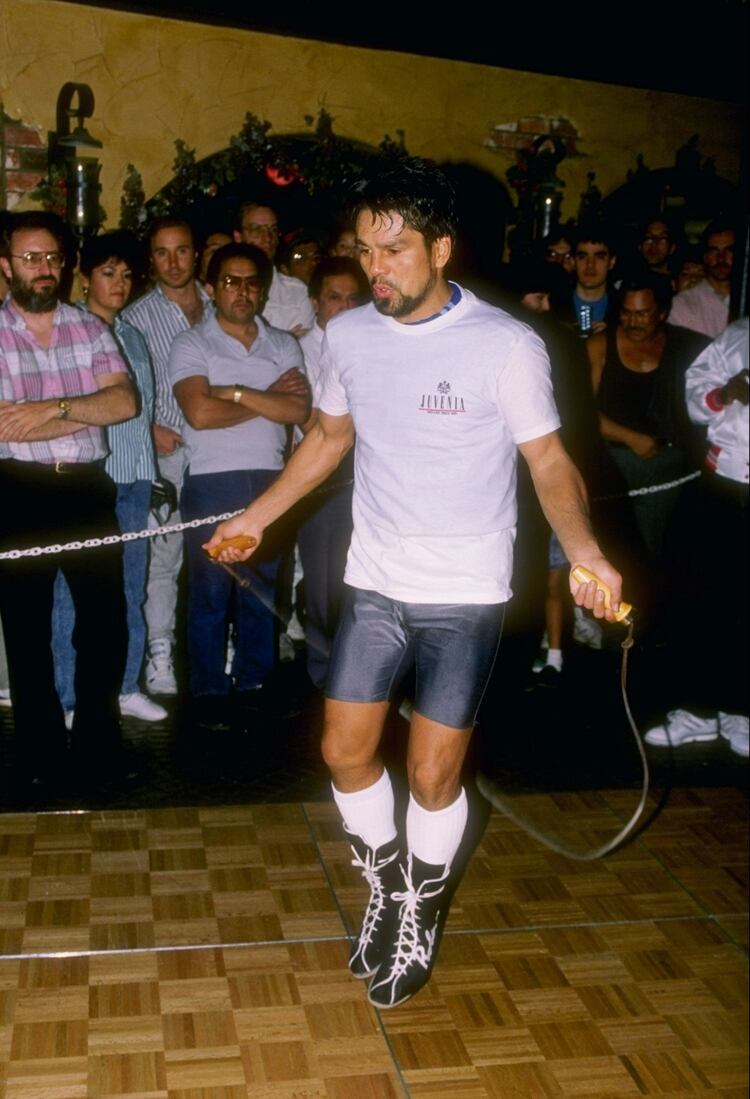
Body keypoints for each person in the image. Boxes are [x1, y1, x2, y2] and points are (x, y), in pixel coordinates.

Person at [205, 158, 623, 1008]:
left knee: (433, 777)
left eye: (395, 250)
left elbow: (548, 460)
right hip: (378, 580)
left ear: (440, 247)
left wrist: (586, 551)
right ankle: (391, 886)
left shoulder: (506, 345)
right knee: (343, 752)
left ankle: (420, 911)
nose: (377, 269)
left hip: (465, 591)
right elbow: (327, 437)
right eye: (365, 251)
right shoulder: (346, 335)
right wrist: (259, 514)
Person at [0, 211, 136, 782]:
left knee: (105, 622)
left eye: (53, 258)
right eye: (31, 259)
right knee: (26, 626)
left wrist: (47, 411)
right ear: (6, 266)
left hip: (86, 488)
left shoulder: (90, 329)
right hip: (17, 490)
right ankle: (38, 744)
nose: (45, 269)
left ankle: (100, 737)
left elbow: (124, 404)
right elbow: (2, 429)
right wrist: (81, 410)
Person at [168, 242, 310, 726]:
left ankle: (255, 681)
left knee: (262, 588)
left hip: (273, 480)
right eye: (231, 281)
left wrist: (236, 391)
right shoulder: (192, 344)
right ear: (211, 288)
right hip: (211, 480)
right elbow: (199, 413)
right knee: (210, 589)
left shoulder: (282, 345)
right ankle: (207, 690)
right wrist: (267, 397)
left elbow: (298, 411)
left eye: (252, 282)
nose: (242, 291)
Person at [51, 231, 167, 724]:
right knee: (71, 597)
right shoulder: (69, 333)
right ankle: (69, 696)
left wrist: (153, 478)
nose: (119, 284)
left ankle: (124, 687)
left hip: (135, 480)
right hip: (90, 481)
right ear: (83, 278)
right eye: (107, 273)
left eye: (126, 275)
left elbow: (143, 416)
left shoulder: (134, 334)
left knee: (130, 589)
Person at [644, 317, 748, 757]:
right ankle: (699, 711)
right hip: (722, 487)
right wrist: (726, 393)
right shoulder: (739, 335)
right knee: (700, 598)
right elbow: (695, 398)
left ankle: (741, 712)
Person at [122, 216, 212, 695]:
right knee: (163, 558)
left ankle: (222, 646)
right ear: (151, 258)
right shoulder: (136, 316)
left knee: (223, 549)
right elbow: (124, 385)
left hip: (220, 447)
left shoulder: (220, 302)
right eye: (162, 252)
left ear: (196, 253)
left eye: (181, 250)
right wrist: (147, 427)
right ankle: (160, 653)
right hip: (168, 450)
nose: (173, 261)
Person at [587, 273, 709, 623]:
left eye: (642, 314)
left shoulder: (687, 346)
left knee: (663, 558)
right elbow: (580, 413)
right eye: (625, 313)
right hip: (615, 466)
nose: (632, 321)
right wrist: (631, 438)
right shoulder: (599, 346)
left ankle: (653, 628)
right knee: (618, 555)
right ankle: (615, 631)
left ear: (662, 312)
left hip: (672, 472)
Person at [295, 256, 370, 688]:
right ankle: (326, 675)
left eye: (352, 299)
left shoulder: (374, 343)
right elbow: (311, 421)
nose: (342, 307)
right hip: (321, 482)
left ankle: (362, 673)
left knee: (364, 583)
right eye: (333, 298)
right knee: (323, 584)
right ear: (315, 302)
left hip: (369, 480)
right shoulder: (299, 349)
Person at [233, 200, 315, 336]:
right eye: (257, 230)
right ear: (238, 236)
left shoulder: (297, 293)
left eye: (273, 230)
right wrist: (285, 339)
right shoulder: (225, 289)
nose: (268, 238)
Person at [668, 220, 735, 338]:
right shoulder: (682, 305)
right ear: (705, 257)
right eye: (714, 251)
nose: (721, 258)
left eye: (728, 250)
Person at [570, 223, 617, 335]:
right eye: (582, 257)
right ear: (573, 261)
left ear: (611, 262)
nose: (590, 265)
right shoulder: (553, 304)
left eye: (599, 257)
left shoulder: (623, 307)